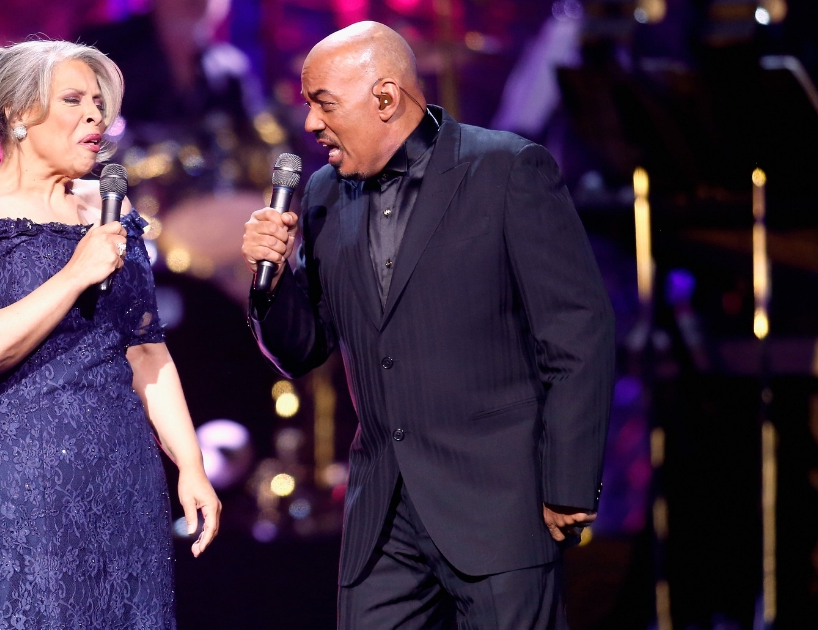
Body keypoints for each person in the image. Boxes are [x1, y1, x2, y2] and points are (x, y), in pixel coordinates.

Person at [241, 22, 614, 628]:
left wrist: (569, 482)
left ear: (385, 98)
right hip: (382, 518)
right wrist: (274, 278)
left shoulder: (506, 170)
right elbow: (303, 348)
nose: (310, 124)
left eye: (324, 104)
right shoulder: (320, 195)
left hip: (500, 507)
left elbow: (577, 334)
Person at [0, 40, 220, 629]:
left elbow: (148, 351)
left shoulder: (107, 211)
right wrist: (76, 273)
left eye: (99, 104)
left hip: (116, 468)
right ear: (20, 115)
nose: (95, 117)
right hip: (7, 473)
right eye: (73, 100)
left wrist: (191, 465)